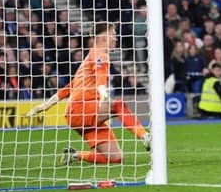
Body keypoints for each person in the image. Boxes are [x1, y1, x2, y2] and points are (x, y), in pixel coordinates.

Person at [25, 23, 150, 164]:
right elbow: (101, 81)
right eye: (113, 34)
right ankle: (144, 136)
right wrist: (104, 94)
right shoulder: (100, 54)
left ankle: (74, 155)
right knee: (118, 105)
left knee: (115, 158)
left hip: (81, 115)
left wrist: (46, 104)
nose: (116, 38)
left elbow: (70, 86)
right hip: (80, 110)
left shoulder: (89, 58)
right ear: (104, 36)